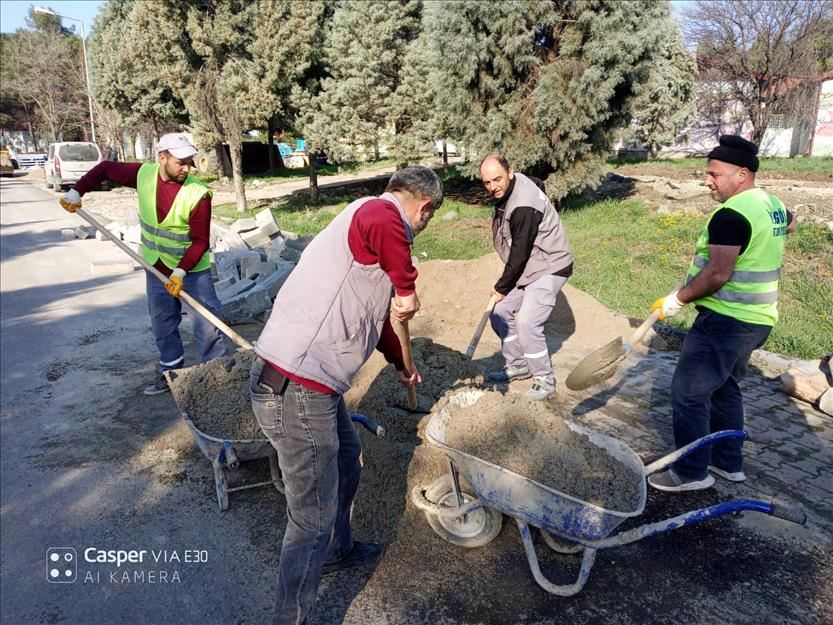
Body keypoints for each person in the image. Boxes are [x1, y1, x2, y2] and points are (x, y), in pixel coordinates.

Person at [250, 166, 442, 625]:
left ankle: (338, 549)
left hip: (312, 383)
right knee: (310, 518)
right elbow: (384, 220)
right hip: (296, 385)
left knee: (346, 456)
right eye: (424, 218)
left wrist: (401, 364)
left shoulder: (367, 242)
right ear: (425, 207)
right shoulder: (377, 213)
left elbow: (373, 322)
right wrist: (407, 285)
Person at [647, 135, 794, 493]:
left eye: (714, 173)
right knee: (726, 388)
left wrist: (677, 300)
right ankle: (728, 462)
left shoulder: (731, 215)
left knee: (688, 393)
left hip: (726, 320)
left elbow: (717, 273)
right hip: (758, 319)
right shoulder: (771, 203)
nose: (707, 180)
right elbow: (789, 222)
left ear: (741, 174)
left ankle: (691, 473)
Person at [59, 133, 228, 395]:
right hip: (155, 266)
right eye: (181, 162)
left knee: (208, 325)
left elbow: (199, 242)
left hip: (192, 271)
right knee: (163, 323)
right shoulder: (143, 175)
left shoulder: (198, 193)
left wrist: (181, 272)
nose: (187, 168)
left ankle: (219, 377)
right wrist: (75, 190)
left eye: (190, 162)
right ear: (162, 158)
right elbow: (105, 168)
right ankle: (171, 373)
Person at [479, 154, 574, 400]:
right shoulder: (514, 186)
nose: (493, 187)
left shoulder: (523, 205)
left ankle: (544, 380)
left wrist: (501, 287)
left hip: (549, 265)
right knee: (500, 312)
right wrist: (503, 291)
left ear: (510, 171)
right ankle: (519, 364)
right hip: (529, 267)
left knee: (527, 322)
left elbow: (519, 254)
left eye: (497, 179)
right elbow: (536, 182)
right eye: (487, 182)